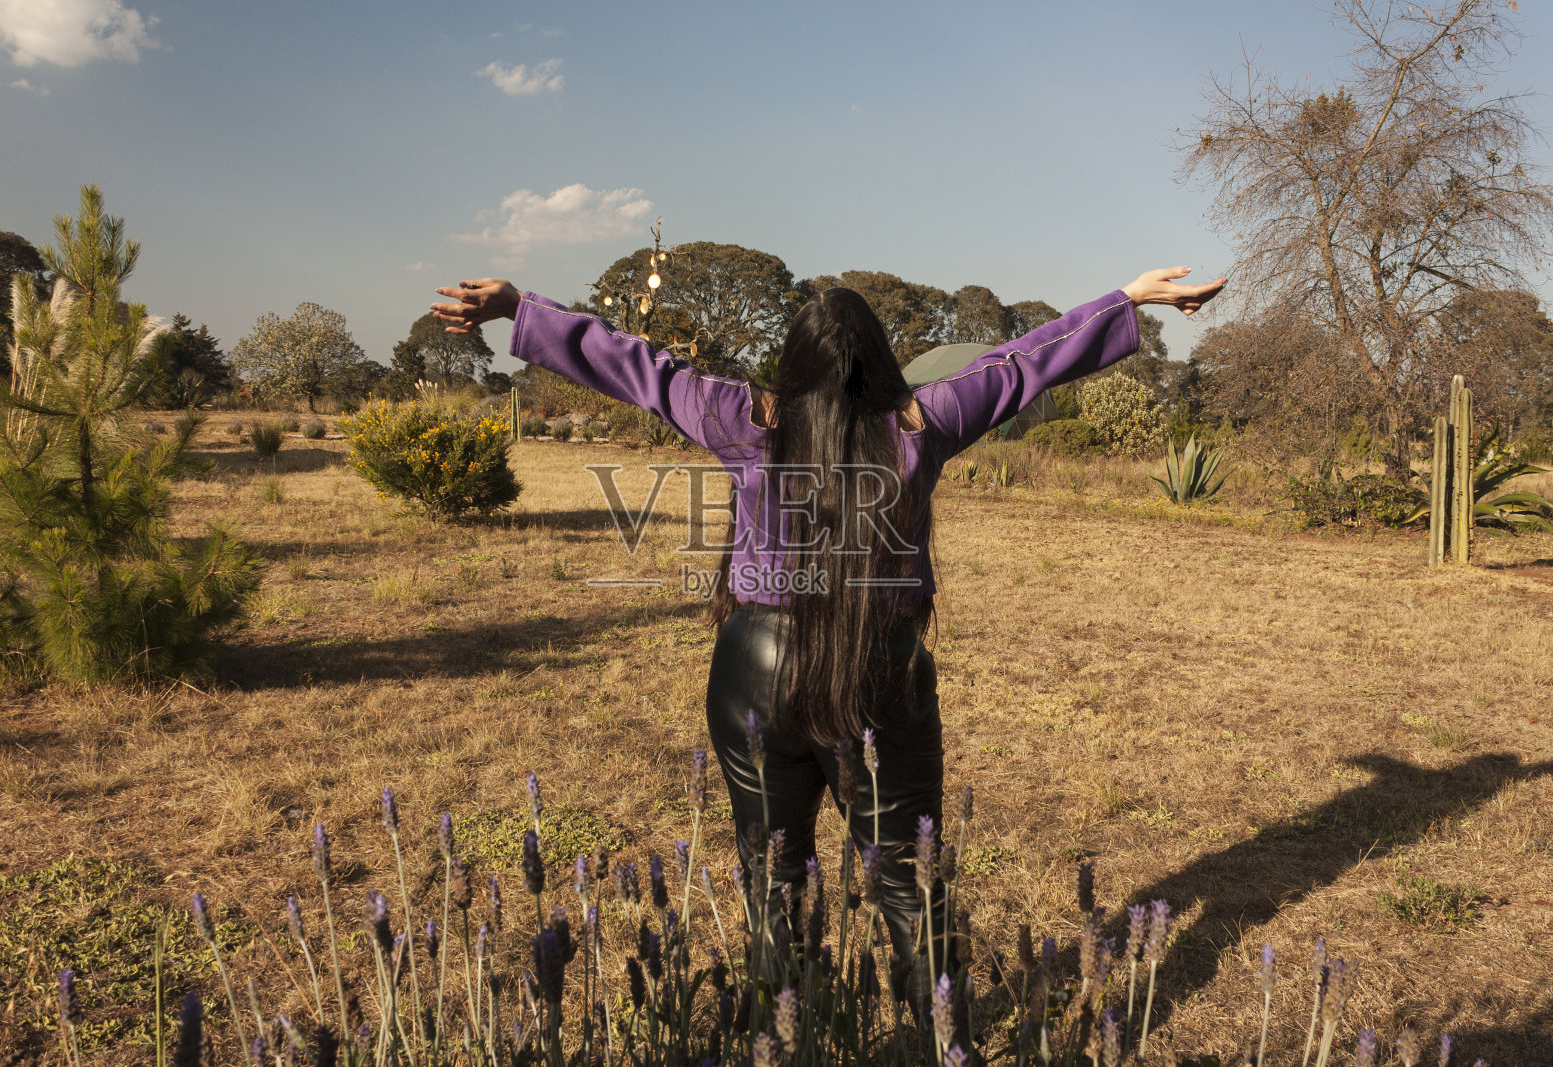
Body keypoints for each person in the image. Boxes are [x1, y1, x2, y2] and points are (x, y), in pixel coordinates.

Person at [430, 265, 1224, 1025]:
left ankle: (783, 1042)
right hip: (881, 672)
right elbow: (1022, 365)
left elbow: (636, 366)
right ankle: (945, 1044)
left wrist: (519, 308)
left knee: (774, 881)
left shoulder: (743, 415)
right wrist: (1129, 299)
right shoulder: (922, 422)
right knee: (910, 884)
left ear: (795, 362)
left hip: (754, 670)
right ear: (881, 362)